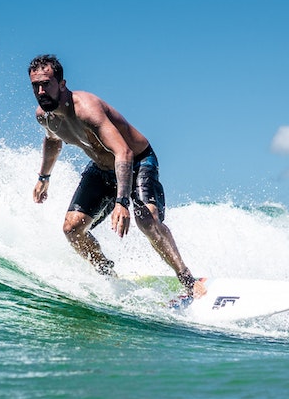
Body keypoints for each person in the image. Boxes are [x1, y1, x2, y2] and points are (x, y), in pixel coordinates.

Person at [27, 54, 205, 302]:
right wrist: (44, 177)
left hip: (138, 162)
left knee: (147, 220)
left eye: (46, 83)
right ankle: (110, 276)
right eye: (36, 85)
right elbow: (52, 140)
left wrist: (122, 202)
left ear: (62, 83)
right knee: (72, 230)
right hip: (102, 169)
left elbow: (124, 151)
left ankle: (188, 280)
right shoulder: (45, 116)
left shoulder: (86, 109)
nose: (41, 90)